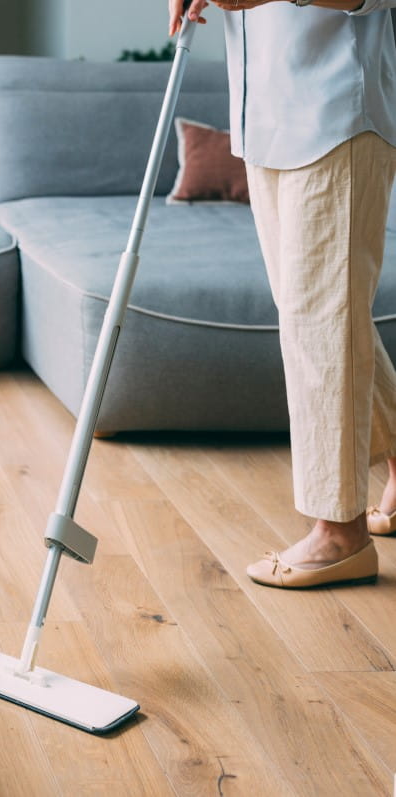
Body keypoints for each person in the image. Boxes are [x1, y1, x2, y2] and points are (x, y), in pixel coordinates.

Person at [168, 0, 396, 587]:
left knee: (322, 321)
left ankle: (340, 534)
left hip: (336, 112)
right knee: (322, 318)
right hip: (265, 118)